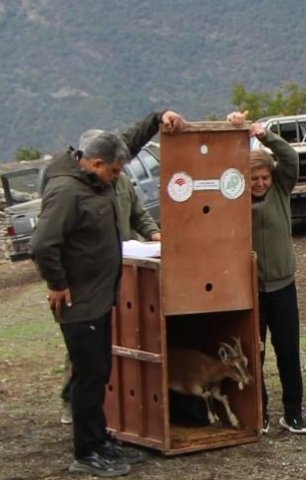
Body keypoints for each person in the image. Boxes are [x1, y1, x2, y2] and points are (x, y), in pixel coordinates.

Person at [32, 110, 187, 477]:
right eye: (115, 172)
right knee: (88, 376)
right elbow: (42, 244)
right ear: (96, 163)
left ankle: (101, 440)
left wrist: (156, 118)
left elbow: (127, 143)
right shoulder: (67, 191)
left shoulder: (94, 172)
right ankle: (86, 451)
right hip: (80, 301)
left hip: (100, 296)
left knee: (100, 372)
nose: (118, 178)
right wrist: (57, 283)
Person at [226, 111, 306, 434]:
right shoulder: (233, 200)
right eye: (253, 178)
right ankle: (256, 412)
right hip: (251, 289)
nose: (260, 183)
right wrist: (235, 132)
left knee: (288, 351)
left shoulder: (281, 191)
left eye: (264, 177)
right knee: (252, 355)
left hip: (283, 286)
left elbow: (290, 158)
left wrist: (262, 134)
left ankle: (293, 412)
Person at [59, 171, 161, 425]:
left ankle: (119, 405)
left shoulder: (123, 181)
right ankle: (71, 400)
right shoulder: (76, 188)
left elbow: (138, 213)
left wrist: (153, 234)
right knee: (86, 345)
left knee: (121, 335)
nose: (116, 170)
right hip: (93, 275)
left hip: (126, 265)